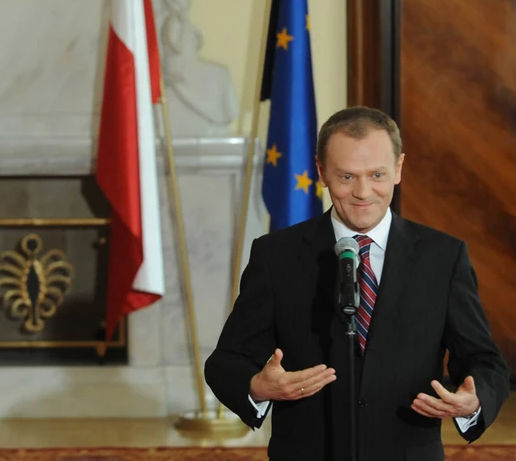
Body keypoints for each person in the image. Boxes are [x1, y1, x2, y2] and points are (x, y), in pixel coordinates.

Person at [205, 106, 509, 461]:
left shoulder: (443, 256)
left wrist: (473, 399)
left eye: (377, 175)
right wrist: (258, 386)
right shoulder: (276, 255)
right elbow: (226, 361)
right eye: (347, 176)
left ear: (398, 169)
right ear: (322, 172)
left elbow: (484, 361)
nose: (363, 192)